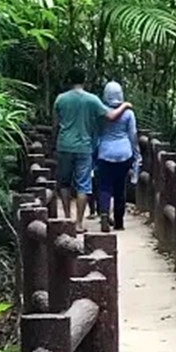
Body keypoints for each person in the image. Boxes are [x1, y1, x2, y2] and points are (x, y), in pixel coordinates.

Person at [52, 68, 132, 230]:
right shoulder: (92, 100)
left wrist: (55, 143)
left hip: (64, 145)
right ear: (84, 81)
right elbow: (111, 116)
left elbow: (55, 125)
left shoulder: (60, 99)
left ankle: (67, 218)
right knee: (83, 184)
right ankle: (79, 223)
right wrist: (124, 106)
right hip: (84, 146)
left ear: (69, 80)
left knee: (64, 183)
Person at [96, 81, 140, 232]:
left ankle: (103, 213)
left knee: (104, 187)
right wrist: (136, 155)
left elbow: (96, 133)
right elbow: (133, 135)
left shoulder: (101, 112)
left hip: (105, 152)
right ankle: (119, 222)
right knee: (120, 187)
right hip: (123, 153)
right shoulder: (128, 113)